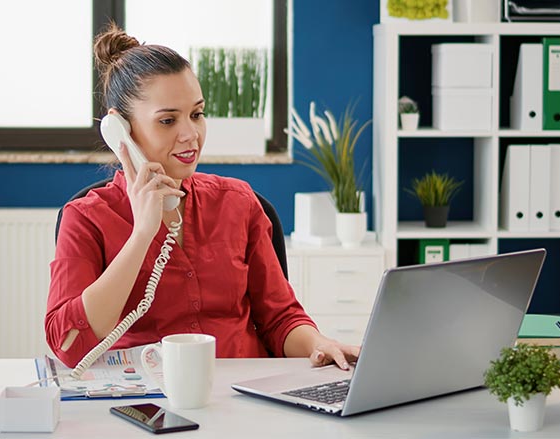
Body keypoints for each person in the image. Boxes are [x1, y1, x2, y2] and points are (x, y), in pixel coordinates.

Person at [45, 23, 359, 370]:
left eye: (196, 114)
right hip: (147, 401)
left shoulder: (238, 203)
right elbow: (68, 345)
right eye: (167, 121)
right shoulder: (87, 218)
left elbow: (280, 319)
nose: (190, 134)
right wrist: (142, 234)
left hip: (244, 396)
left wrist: (320, 344)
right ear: (120, 130)